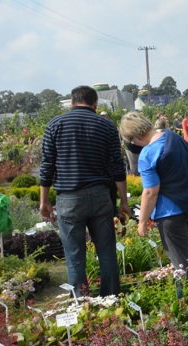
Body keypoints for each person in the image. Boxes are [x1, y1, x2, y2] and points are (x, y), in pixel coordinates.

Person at [39, 85, 128, 296]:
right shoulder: (106, 126)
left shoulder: (55, 125)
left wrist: (44, 200)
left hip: (69, 197)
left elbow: (47, 165)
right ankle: (111, 300)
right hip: (100, 195)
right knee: (107, 254)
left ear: (72, 103)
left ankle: (81, 304)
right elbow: (117, 166)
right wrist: (123, 201)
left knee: (74, 257)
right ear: (95, 104)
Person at [119, 112, 188, 293]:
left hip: (170, 213)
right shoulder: (174, 137)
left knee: (182, 261)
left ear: (135, 136)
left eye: (131, 141)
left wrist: (142, 222)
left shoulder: (148, 154)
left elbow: (150, 192)